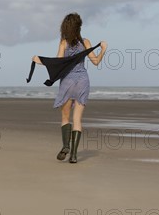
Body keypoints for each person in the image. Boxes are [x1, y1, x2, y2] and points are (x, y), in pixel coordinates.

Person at [33, 13, 107, 163]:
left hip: (67, 82)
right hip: (82, 82)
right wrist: (103, 49)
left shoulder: (63, 42)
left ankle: (66, 145)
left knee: (65, 118)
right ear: (79, 27)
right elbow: (96, 62)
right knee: (77, 119)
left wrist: (38, 60)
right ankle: (74, 155)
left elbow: (58, 63)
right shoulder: (85, 42)